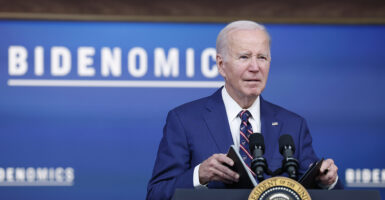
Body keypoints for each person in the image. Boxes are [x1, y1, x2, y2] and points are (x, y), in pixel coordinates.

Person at [147, 20, 342, 200]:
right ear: (221, 65)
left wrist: (328, 180)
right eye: (244, 57)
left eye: (262, 57)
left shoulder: (292, 125)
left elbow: (318, 190)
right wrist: (200, 175)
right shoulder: (184, 120)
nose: (255, 67)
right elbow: (156, 194)